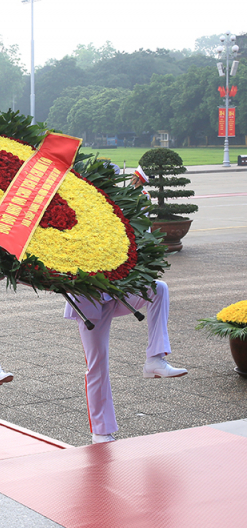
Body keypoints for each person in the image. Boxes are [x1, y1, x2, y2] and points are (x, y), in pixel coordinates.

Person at [65, 164, 187, 445]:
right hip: (90, 305)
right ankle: (101, 431)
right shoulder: (75, 217)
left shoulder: (116, 211)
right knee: (97, 365)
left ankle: (155, 359)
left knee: (158, 289)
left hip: (118, 295)